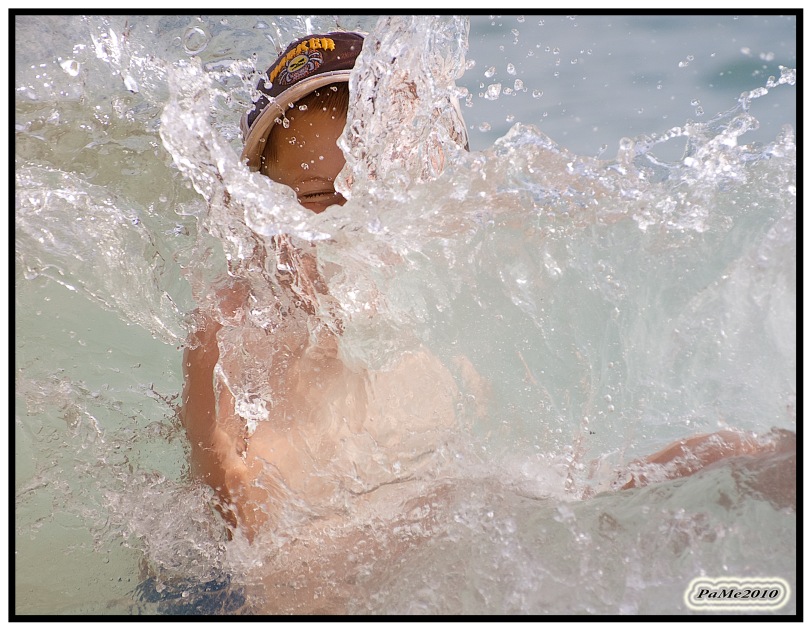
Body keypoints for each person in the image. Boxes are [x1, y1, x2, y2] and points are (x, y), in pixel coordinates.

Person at [180, 31, 795, 551]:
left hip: (440, 545)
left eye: (371, 186)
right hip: (241, 593)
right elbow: (261, 560)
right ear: (256, 212)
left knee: (742, 455)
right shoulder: (236, 330)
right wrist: (443, 519)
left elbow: (541, 477)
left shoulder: (448, 300)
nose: (350, 222)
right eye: (316, 197)